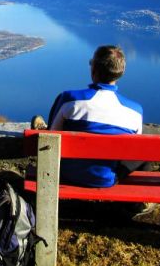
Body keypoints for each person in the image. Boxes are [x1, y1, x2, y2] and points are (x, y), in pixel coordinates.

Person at [31, 45, 149, 189]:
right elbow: (132, 151)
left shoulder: (69, 99)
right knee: (146, 150)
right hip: (106, 180)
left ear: (94, 70)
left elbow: (51, 138)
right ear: (121, 72)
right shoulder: (135, 111)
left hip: (66, 174)